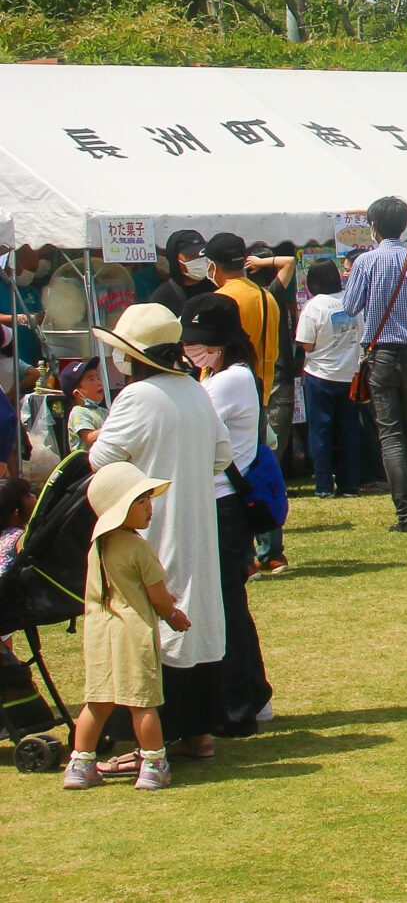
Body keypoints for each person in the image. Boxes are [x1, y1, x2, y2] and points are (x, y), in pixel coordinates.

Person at [89, 306, 235, 760]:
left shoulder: (137, 396)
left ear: (135, 356)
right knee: (195, 615)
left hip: (150, 523)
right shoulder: (195, 390)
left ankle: (147, 741)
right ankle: (198, 734)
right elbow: (222, 455)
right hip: (197, 521)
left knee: (150, 617)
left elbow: (101, 461)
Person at [175, 295, 273, 730]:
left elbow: (189, 424)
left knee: (225, 609)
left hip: (222, 504)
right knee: (230, 605)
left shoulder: (227, 381)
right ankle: (252, 696)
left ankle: (238, 706)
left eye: (197, 344)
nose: (190, 351)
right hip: (222, 502)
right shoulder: (229, 376)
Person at [60, 463, 186, 793]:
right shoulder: (140, 548)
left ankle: (80, 763)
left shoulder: (97, 547)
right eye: (141, 501)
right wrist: (173, 615)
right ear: (121, 508)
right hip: (133, 635)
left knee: (97, 701)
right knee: (142, 702)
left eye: (148, 499)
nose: (149, 507)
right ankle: (154, 764)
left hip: (99, 634)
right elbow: (158, 596)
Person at [340, 197, 407, 533]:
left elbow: (350, 306)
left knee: (391, 435)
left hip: (382, 352)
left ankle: (405, 514)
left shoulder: (366, 262)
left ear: (373, 226)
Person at [291, 259, 364, 499]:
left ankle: (323, 485)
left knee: (320, 432)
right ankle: (349, 484)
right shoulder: (352, 301)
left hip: (320, 375)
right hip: (350, 374)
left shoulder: (313, 306)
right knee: (349, 431)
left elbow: (305, 343)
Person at [205, 232, 280, 398]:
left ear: (212, 266)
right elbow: (272, 350)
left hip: (222, 391)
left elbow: (210, 354)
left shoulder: (217, 301)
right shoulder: (266, 297)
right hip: (258, 390)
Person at [148, 230, 215, 319]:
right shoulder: (163, 297)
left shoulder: (218, 286)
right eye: (190, 256)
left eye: (201, 255)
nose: (198, 260)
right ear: (175, 259)